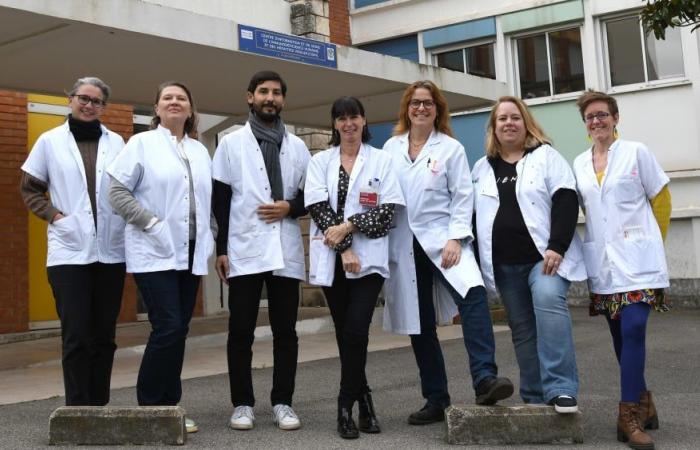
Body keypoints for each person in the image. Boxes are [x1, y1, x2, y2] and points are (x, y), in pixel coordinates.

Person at [383, 80, 513, 425]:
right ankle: (436, 398)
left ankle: (485, 379)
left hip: (444, 240)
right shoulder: (390, 147)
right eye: (415, 103)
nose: (421, 108)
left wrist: (457, 237)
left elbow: (462, 196)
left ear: (438, 109)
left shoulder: (451, 148)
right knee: (419, 322)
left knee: (472, 295)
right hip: (404, 244)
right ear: (406, 109)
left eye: (427, 103)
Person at [107, 81, 213, 433]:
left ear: (190, 109)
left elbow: (204, 202)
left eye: (181, 97)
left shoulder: (199, 150)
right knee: (167, 326)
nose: (174, 102)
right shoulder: (141, 143)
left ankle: (171, 407)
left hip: (190, 252)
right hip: (155, 251)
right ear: (156, 108)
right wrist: (151, 223)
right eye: (167, 97)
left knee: (179, 329)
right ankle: (151, 407)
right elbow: (117, 192)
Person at [472, 96, 585, 414]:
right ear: (494, 128)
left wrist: (557, 246)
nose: (509, 123)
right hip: (504, 265)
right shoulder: (481, 168)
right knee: (522, 328)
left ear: (526, 123)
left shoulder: (546, 157)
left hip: (544, 258)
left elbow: (565, 200)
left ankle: (561, 389)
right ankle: (535, 395)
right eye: (502, 119)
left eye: (515, 117)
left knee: (549, 304)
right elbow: (471, 215)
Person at [212, 71, 310, 431]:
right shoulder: (230, 142)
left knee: (286, 331)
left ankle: (283, 401)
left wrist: (289, 208)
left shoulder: (297, 146)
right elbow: (220, 201)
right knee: (241, 331)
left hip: (284, 246)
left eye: (276, 93)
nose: (270, 98)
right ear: (249, 97)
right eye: (263, 92)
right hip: (245, 246)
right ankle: (242, 404)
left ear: (283, 99)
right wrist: (221, 249)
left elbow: (310, 197)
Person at [573, 90, 671, 450]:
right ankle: (644, 401)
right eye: (590, 117)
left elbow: (661, 197)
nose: (596, 121)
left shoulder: (636, 152)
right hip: (605, 266)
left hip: (640, 262)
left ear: (615, 118)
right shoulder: (580, 164)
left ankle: (627, 414)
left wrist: (653, 244)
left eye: (602, 114)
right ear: (585, 124)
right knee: (619, 338)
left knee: (633, 328)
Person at [20, 76, 126, 407]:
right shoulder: (50, 141)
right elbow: (30, 189)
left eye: (96, 101)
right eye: (84, 98)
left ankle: (99, 406)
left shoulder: (118, 142)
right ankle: (77, 408)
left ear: (103, 107)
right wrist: (55, 216)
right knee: (77, 335)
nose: (89, 105)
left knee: (104, 337)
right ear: (70, 99)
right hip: (69, 255)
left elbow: (128, 188)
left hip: (110, 253)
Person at [305, 97, 405, 439]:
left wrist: (347, 229)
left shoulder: (382, 161)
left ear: (364, 121)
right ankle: (365, 402)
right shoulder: (320, 162)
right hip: (332, 262)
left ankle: (344, 405)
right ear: (334, 124)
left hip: (370, 262)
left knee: (356, 331)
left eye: (354, 117)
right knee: (344, 333)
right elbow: (317, 208)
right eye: (342, 118)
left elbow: (386, 215)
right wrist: (345, 247)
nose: (349, 123)